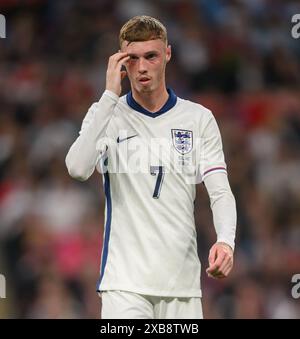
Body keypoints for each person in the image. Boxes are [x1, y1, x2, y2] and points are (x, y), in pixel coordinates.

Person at [65, 15, 237, 319]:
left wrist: (225, 241)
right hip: (125, 285)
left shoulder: (198, 119)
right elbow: (77, 168)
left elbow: (220, 190)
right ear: (119, 62)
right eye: (133, 58)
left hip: (182, 286)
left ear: (167, 54)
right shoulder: (107, 114)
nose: (142, 67)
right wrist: (108, 96)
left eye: (151, 56)